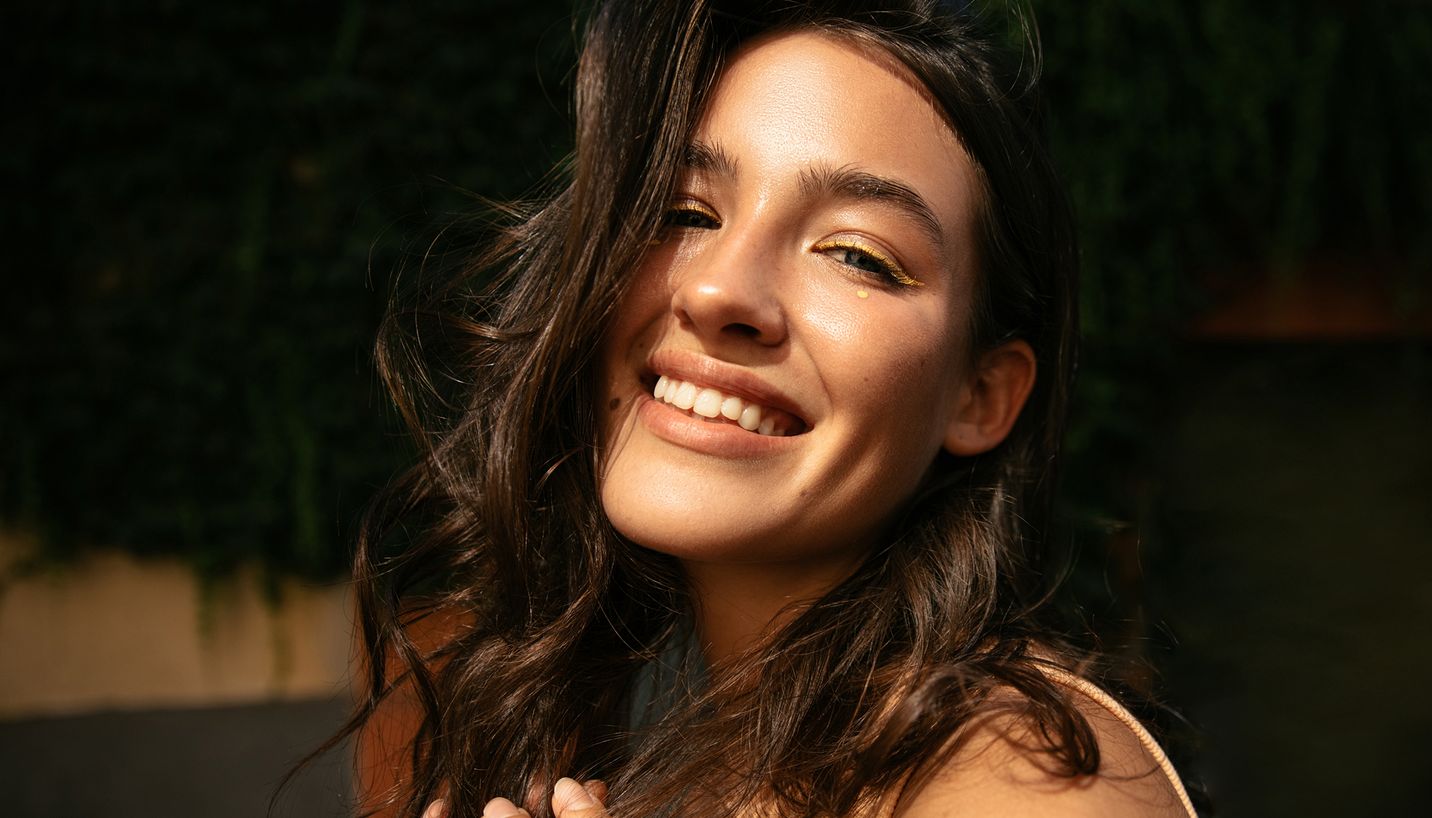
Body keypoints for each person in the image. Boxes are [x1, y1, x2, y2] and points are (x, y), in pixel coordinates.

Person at [340, 1, 1198, 816]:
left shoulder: (1021, 771)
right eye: (682, 210)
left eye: (857, 254)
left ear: (981, 396)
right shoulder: (606, 727)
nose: (717, 289)